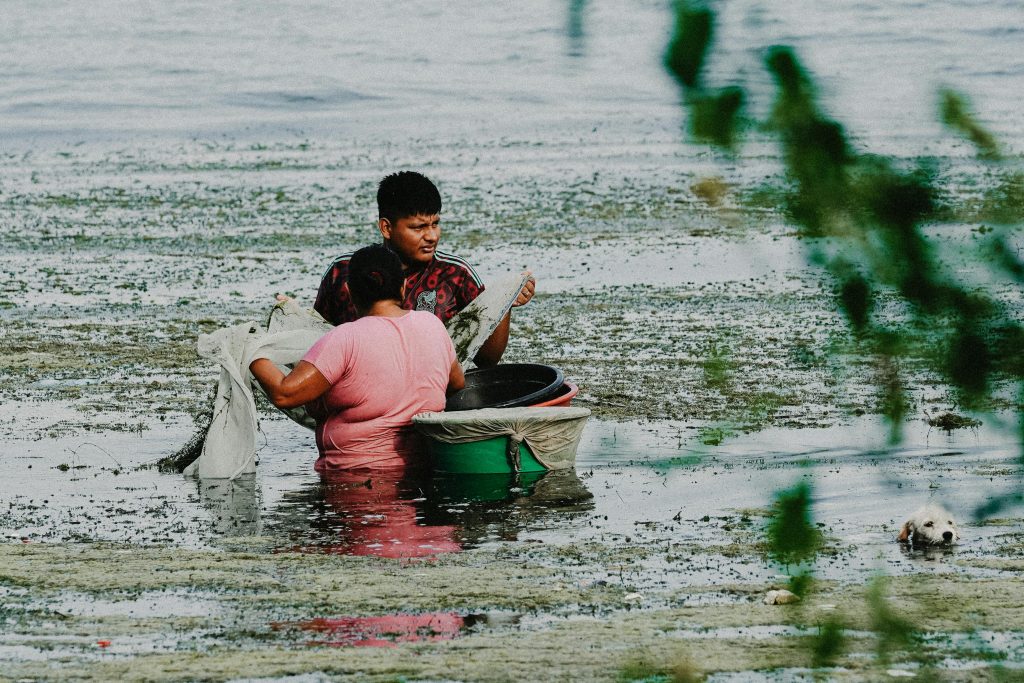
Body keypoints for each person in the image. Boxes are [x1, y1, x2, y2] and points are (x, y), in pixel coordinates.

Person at [251, 245, 465, 471]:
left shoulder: (344, 339)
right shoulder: (433, 327)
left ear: (349, 290)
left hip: (353, 483)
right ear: (403, 287)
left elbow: (285, 394)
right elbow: (457, 383)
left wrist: (251, 352)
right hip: (422, 473)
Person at [314, 171, 535, 367]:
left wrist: (505, 303)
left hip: (433, 399)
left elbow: (487, 360)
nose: (432, 236)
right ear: (386, 228)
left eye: (435, 224)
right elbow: (315, 340)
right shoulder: (343, 271)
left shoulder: (456, 275)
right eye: (418, 227)